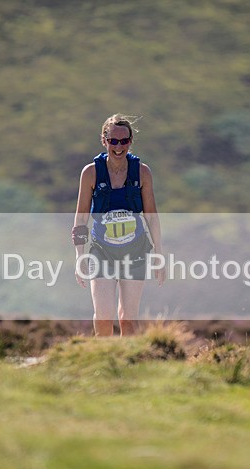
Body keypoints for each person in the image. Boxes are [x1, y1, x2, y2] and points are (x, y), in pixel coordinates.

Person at [72, 114, 165, 336]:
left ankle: (128, 367)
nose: (118, 147)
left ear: (130, 141)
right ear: (104, 141)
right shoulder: (91, 173)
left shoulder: (142, 172)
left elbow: (151, 216)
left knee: (128, 320)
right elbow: (81, 218)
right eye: (113, 141)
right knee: (104, 316)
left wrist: (158, 255)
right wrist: (79, 256)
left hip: (135, 251)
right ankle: (103, 362)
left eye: (124, 141)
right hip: (102, 251)